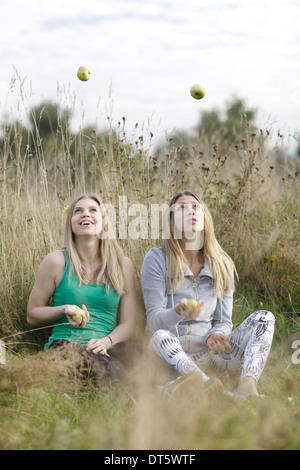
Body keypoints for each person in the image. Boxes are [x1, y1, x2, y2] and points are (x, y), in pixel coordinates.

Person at [141, 190, 275, 399]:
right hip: (169, 357)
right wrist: (177, 312)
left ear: (205, 218)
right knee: (160, 336)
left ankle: (247, 386)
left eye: (196, 207)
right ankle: (215, 391)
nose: (190, 211)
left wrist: (216, 334)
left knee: (265, 317)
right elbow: (153, 324)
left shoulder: (221, 263)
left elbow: (223, 321)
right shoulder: (157, 258)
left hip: (210, 357)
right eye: (182, 208)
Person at [27, 193, 138, 384]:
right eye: (78, 211)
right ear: (71, 223)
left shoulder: (123, 265)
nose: (85, 214)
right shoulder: (56, 261)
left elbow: (129, 323)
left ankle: (194, 382)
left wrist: (107, 342)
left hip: (105, 345)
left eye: (93, 210)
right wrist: (63, 309)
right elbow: (32, 315)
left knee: (141, 354)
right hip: (64, 347)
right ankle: (159, 393)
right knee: (111, 367)